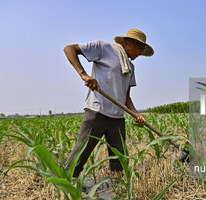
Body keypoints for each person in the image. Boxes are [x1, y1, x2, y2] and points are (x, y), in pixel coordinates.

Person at [63, 28, 154, 178]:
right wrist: (84, 75)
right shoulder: (104, 48)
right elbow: (69, 49)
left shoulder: (130, 67)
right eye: (140, 49)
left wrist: (136, 114)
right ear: (131, 43)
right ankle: (66, 186)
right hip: (97, 111)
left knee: (119, 160)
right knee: (81, 152)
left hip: (117, 118)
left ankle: (119, 191)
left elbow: (126, 96)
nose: (140, 54)